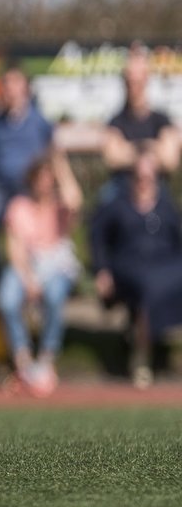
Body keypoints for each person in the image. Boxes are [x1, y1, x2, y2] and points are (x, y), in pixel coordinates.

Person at [89, 150, 182, 388]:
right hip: (129, 267)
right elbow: (97, 238)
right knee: (148, 288)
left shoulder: (166, 206)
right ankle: (141, 359)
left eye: (150, 177)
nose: (144, 181)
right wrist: (102, 271)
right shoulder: (116, 206)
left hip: (166, 265)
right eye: (139, 176)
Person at [0, 149, 83, 396]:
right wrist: (28, 279)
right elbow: (15, 250)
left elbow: (75, 200)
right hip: (27, 265)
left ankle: (46, 360)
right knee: (7, 299)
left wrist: (60, 163)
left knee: (55, 296)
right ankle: (23, 362)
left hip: (57, 266)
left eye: (49, 177)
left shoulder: (61, 206)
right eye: (40, 177)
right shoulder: (18, 206)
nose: (44, 183)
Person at [0, 63, 53, 277]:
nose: (11, 89)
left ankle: (37, 267)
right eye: (7, 84)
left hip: (31, 191)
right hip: (2, 188)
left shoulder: (40, 122)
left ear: (25, 88)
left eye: (15, 83)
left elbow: (50, 152)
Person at [101, 44, 180, 189]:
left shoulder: (162, 120)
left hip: (157, 193)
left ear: (146, 80)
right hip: (123, 192)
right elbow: (112, 158)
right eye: (129, 81)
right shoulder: (116, 121)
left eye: (137, 82)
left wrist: (130, 149)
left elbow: (170, 159)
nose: (133, 87)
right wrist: (152, 148)